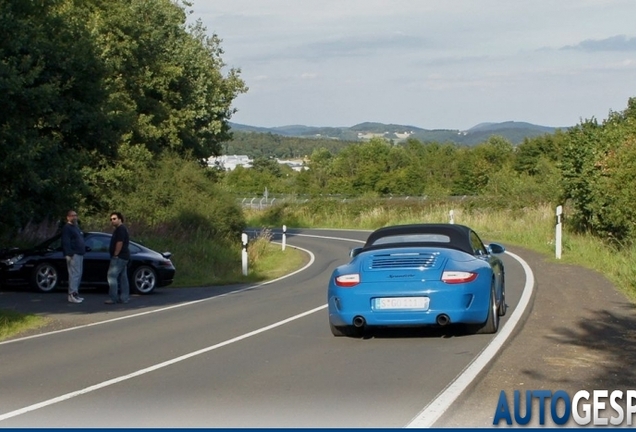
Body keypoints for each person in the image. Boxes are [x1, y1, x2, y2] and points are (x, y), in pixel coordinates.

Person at [106, 212, 130, 304]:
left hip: (119, 257)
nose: (112, 221)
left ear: (120, 219)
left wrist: (116, 254)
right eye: (111, 219)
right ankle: (124, 298)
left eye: (114, 218)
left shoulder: (120, 229)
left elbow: (119, 242)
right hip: (124, 256)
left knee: (111, 276)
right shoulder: (121, 229)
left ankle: (113, 298)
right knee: (123, 277)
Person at [61, 210, 85, 304]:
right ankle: (71, 294)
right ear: (68, 217)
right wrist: (69, 253)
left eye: (75, 215)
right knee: (74, 275)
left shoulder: (76, 227)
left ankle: (76, 293)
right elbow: (65, 241)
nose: (74, 217)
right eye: (72, 216)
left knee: (78, 274)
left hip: (79, 253)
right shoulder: (67, 228)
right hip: (73, 254)